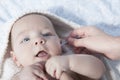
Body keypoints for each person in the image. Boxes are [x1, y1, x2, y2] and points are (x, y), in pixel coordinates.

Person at [10, 13, 105, 80]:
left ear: (59, 43)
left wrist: (69, 62)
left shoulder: (68, 63)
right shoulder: (21, 75)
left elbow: (99, 70)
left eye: (46, 34)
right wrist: (19, 77)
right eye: (26, 39)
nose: (38, 40)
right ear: (15, 59)